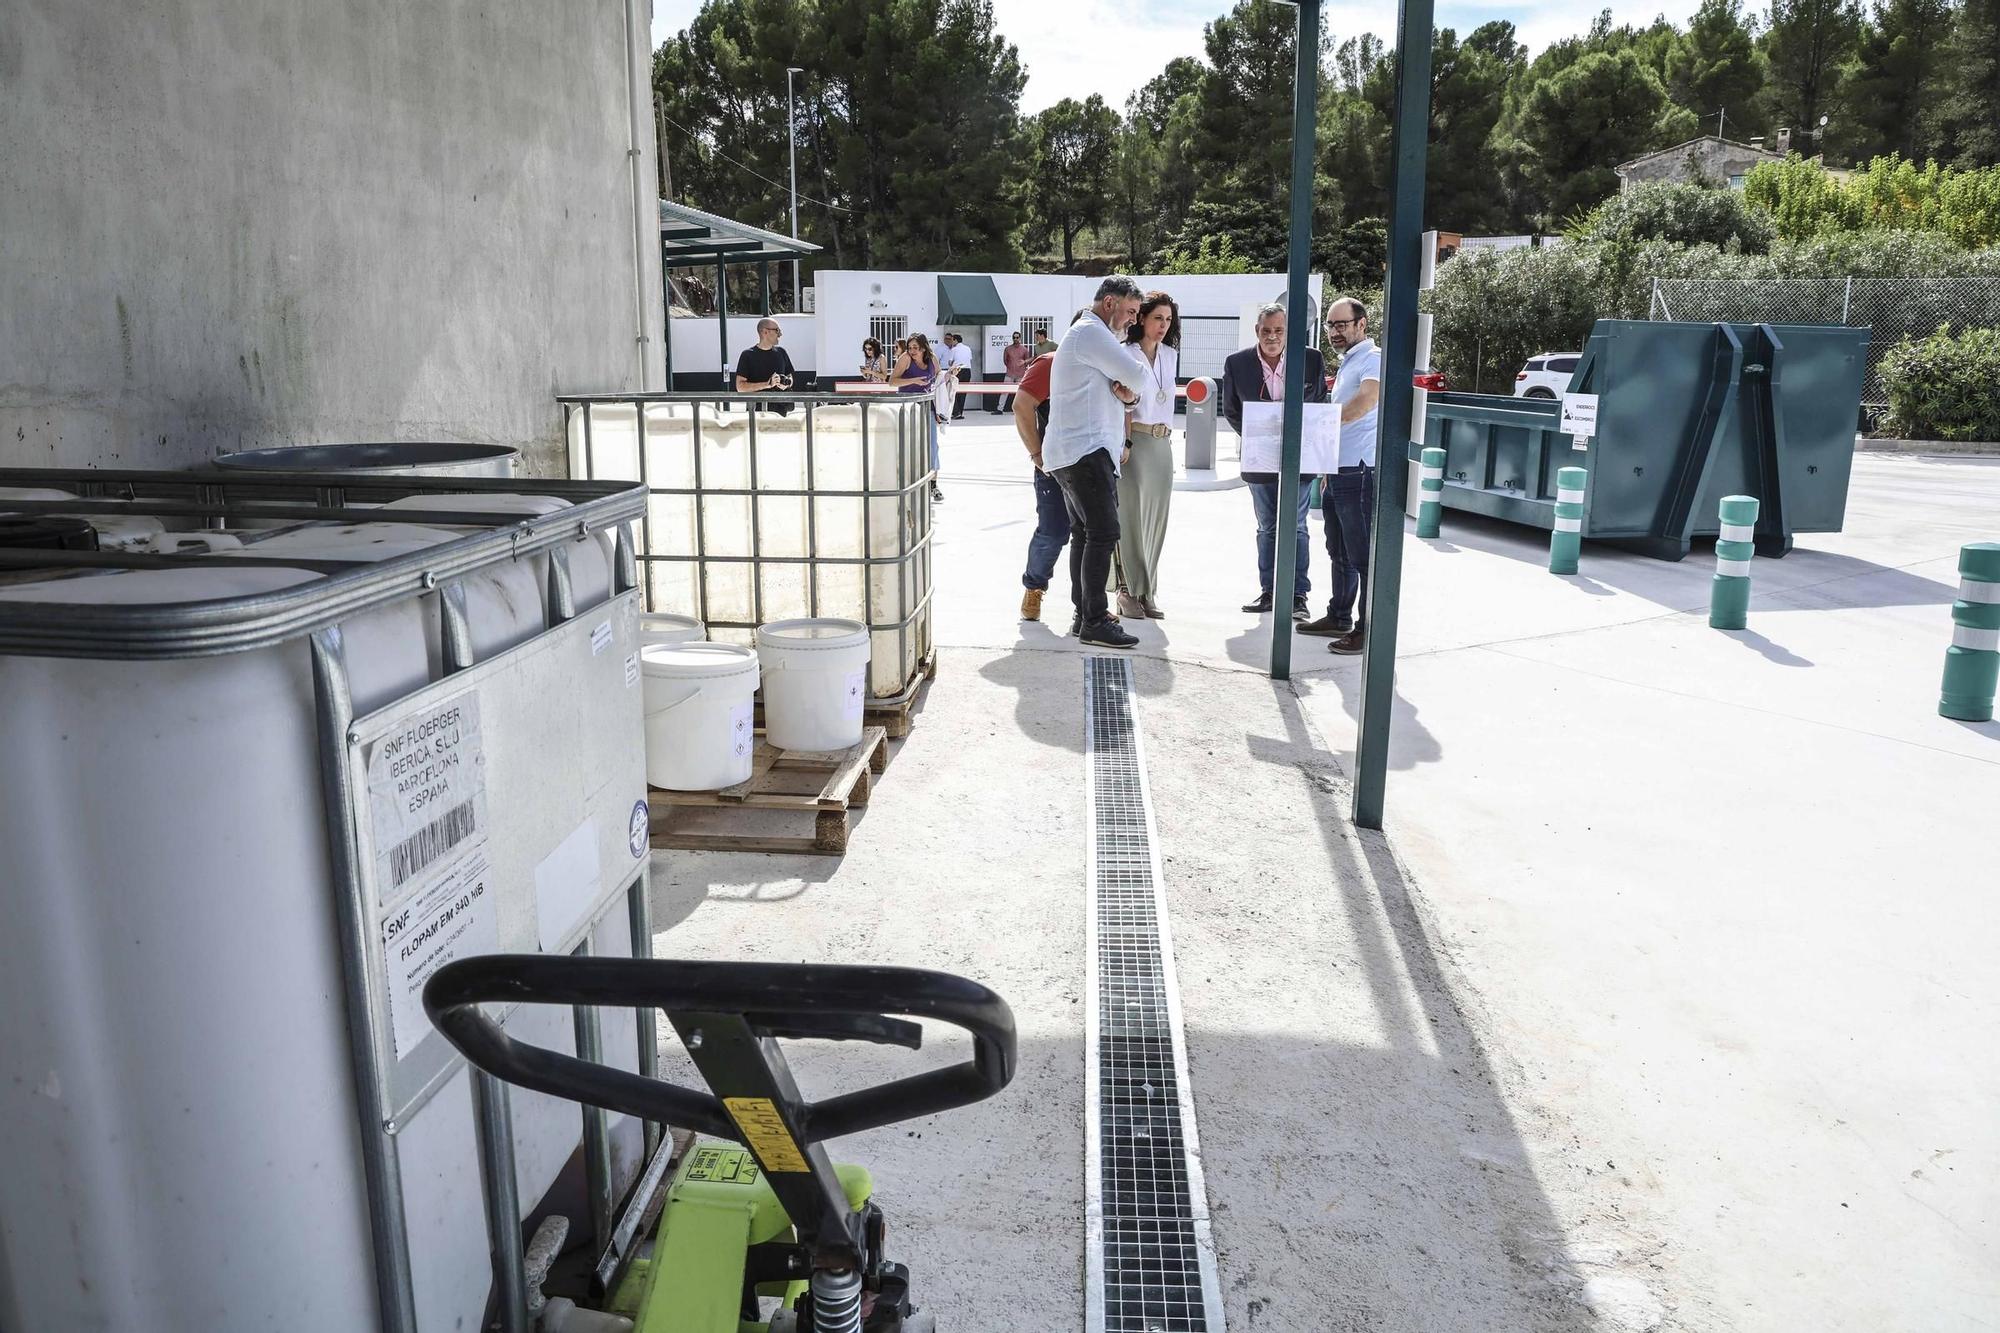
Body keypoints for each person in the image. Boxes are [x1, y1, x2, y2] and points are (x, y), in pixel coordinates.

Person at [1044, 277, 1147, 648]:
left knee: (1086, 535)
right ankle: (1093, 620)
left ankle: (1083, 614)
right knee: (1103, 533)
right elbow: (1137, 375)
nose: (1134, 320)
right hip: (1085, 451)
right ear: (1109, 303)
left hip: (1076, 450)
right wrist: (1137, 374)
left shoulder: (1089, 336)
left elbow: (1122, 392)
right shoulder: (1092, 332)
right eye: (1131, 311)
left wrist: (1129, 396)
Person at [1219, 302, 1327, 621]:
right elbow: (1231, 410)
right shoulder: (1237, 363)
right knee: (1267, 526)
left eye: (1279, 331)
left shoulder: (1311, 359)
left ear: (1288, 332)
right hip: (1259, 458)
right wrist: (1257, 439)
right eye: (1266, 330)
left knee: (1296, 525)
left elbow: (1319, 402)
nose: (1272, 337)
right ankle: (1269, 591)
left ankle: (1297, 595)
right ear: (1257, 331)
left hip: (1301, 457)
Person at [1300, 296, 1382, 655]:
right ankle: (1339, 616)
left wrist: (1321, 427)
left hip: (1359, 470)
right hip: (1338, 470)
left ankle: (1367, 629)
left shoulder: (1373, 359)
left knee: (1362, 554)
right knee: (1339, 549)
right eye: (1331, 326)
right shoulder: (1350, 362)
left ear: (1361, 324)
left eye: (1341, 325)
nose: (1334, 331)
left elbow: (1365, 403)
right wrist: (1325, 466)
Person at [1008, 311, 1090, 622]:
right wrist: (1037, 454)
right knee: (1054, 532)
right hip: (1054, 466)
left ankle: (1087, 608)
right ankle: (1034, 586)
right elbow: (1021, 406)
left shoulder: (1108, 365)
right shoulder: (1050, 364)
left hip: (1094, 465)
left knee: (1095, 536)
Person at [1112, 291, 1179, 621]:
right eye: (1157, 318)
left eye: (1168, 320)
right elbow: (1121, 401)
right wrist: (1124, 442)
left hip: (1162, 443)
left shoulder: (1170, 355)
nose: (1163, 325)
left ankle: (1148, 590)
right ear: (1141, 319)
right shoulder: (1125, 353)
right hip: (1134, 442)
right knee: (1131, 519)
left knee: (1156, 520)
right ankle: (1127, 590)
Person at [890, 333, 944, 503]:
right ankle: (908, 481)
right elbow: (892, 381)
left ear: (923, 347)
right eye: (910, 347)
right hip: (908, 406)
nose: (912, 350)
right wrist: (914, 380)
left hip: (927, 404)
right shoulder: (905, 359)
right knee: (910, 444)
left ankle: (933, 484)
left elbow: (940, 379)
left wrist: (951, 374)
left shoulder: (932, 358)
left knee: (932, 445)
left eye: (915, 347)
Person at [732, 318, 796, 414]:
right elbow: (740, 387)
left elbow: (790, 377)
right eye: (777, 330)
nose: (780, 334)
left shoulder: (781, 352)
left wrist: (787, 383)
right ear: (765, 332)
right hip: (757, 415)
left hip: (781, 414)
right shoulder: (748, 355)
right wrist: (767, 384)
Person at [993, 330, 1030, 414]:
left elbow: (1027, 360)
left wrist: (1021, 366)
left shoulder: (1024, 349)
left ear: (1020, 338)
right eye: (1014, 337)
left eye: (1017, 337)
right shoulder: (1008, 349)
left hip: (1020, 374)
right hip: (1009, 373)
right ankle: (1000, 409)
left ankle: (1018, 410)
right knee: (1004, 391)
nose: (1015, 339)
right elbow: (1005, 360)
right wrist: (1010, 367)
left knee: (1019, 393)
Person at [941, 332, 973, 420]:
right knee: (963, 392)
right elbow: (969, 359)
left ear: (955, 340)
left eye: (952, 340)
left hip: (957, 371)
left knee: (952, 391)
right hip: (967, 371)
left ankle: (956, 412)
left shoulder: (954, 350)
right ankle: (960, 412)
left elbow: (950, 362)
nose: (951, 342)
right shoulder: (968, 348)